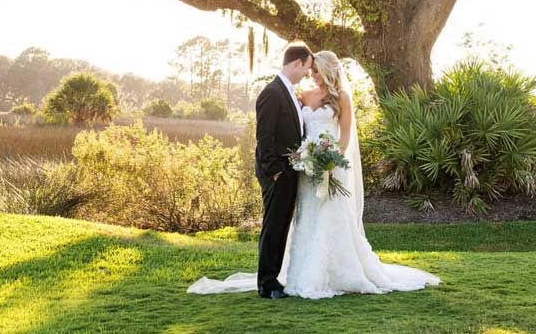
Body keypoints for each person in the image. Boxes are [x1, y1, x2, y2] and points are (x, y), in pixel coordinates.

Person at [187, 49, 441, 299]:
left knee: (330, 218)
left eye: (317, 71)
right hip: (305, 172)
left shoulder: (342, 98)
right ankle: (300, 274)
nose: (313, 75)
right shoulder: (302, 96)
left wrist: (329, 163)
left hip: (331, 168)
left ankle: (338, 273)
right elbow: (286, 131)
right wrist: (302, 160)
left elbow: (344, 139)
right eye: (311, 70)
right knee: (305, 220)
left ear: (329, 70)